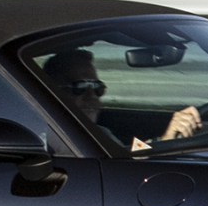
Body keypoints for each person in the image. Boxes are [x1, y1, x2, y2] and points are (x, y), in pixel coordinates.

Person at [42, 49, 199, 152]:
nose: (92, 96)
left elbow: (127, 155)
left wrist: (164, 141)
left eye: (97, 87)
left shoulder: (99, 132)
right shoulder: (46, 141)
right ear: (53, 93)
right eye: (80, 86)